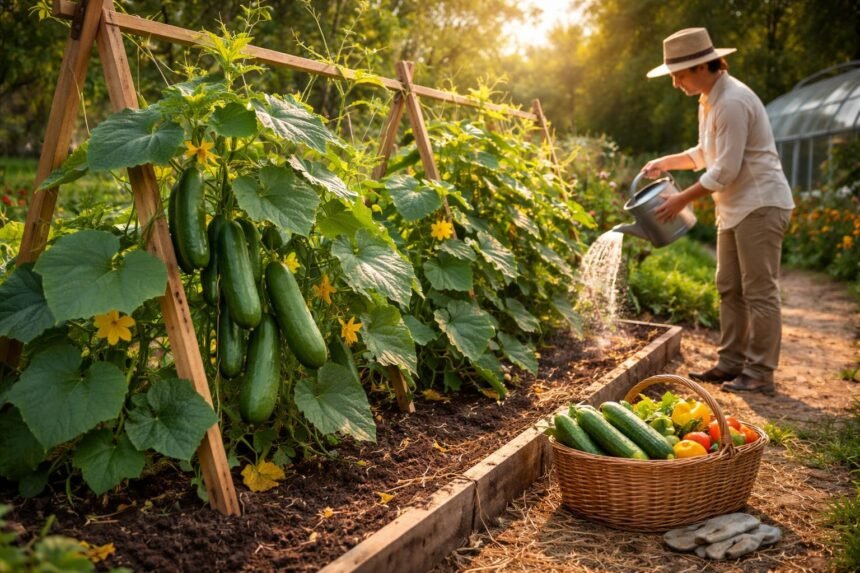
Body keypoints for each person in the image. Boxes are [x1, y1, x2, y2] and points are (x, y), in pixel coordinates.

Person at [641, 28, 795, 395]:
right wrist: (666, 163)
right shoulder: (709, 99)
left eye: (679, 75)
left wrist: (681, 200)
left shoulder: (732, 101)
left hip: (760, 203)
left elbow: (725, 170)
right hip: (735, 207)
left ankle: (759, 373)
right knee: (729, 287)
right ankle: (731, 363)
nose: (676, 83)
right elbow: (704, 154)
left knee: (759, 291)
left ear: (701, 66)